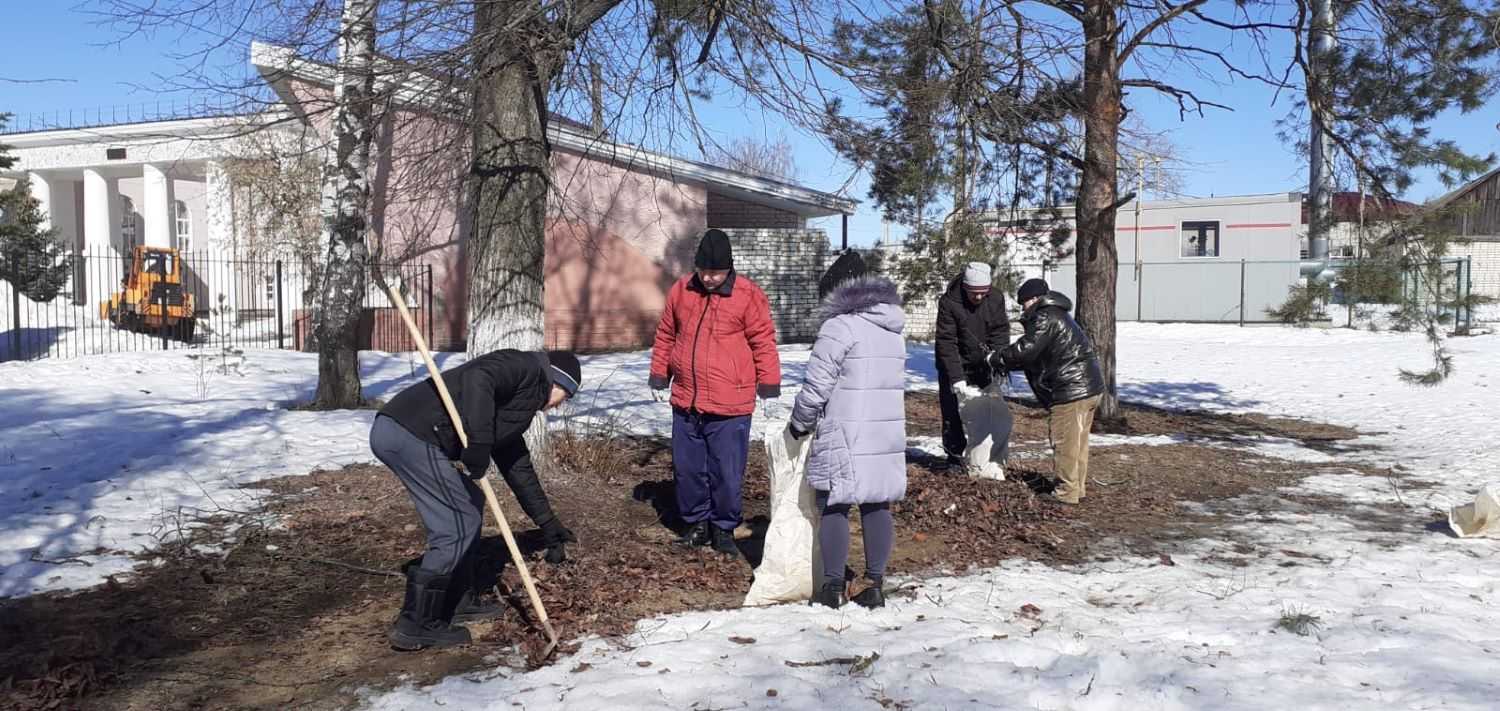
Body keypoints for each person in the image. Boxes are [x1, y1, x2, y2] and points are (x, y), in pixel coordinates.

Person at [370, 349, 583, 651]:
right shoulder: (524, 366)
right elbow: (477, 376)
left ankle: (458, 600)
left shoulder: (517, 409)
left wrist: (548, 524)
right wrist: (480, 443)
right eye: (567, 396)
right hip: (409, 431)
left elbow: (519, 469)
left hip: (410, 433)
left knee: (470, 501)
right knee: (457, 522)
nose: (561, 405)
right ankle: (415, 625)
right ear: (558, 382)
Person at [649, 228, 782, 556]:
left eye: (716, 272)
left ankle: (724, 527)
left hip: (730, 402)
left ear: (729, 267)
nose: (709, 278)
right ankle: (696, 523)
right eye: (704, 271)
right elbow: (666, 334)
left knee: (725, 470)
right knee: (688, 467)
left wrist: (769, 386)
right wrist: (658, 375)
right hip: (687, 398)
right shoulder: (682, 290)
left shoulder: (748, 295)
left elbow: (763, 341)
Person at [788, 259, 906, 609]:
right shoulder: (893, 330)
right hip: (884, 434)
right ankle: (873, 584)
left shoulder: (839, 327)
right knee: (876, 504)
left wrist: (799, 423)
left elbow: (816, 386)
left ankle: (833, 586)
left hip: (844, 432)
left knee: (835, 505)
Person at [989, 278, 1105, 505]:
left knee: (1064, 441)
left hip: (1070, 390)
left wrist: (996, 358)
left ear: (1033, 299)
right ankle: (1076, 487)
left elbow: (1026, 350)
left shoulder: (1045, 316)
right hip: (1088, 387)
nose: (1022, 307)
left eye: (1023, 302)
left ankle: (1065, 492)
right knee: (1078, 442)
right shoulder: (1058, 314)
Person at [934, 262, 1011, 469]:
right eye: (973, 293)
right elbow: (946, 342)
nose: (978, 297)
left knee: (987, 411)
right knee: (952, 412)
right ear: (965, 288)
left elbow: (1000, 331)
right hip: (954, 365)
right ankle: (954, 457)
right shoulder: (949, 302)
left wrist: (996, 358)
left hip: (982, 364)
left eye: (982, 293)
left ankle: (983, 459)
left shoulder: (995, 298)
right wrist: (957, 378)